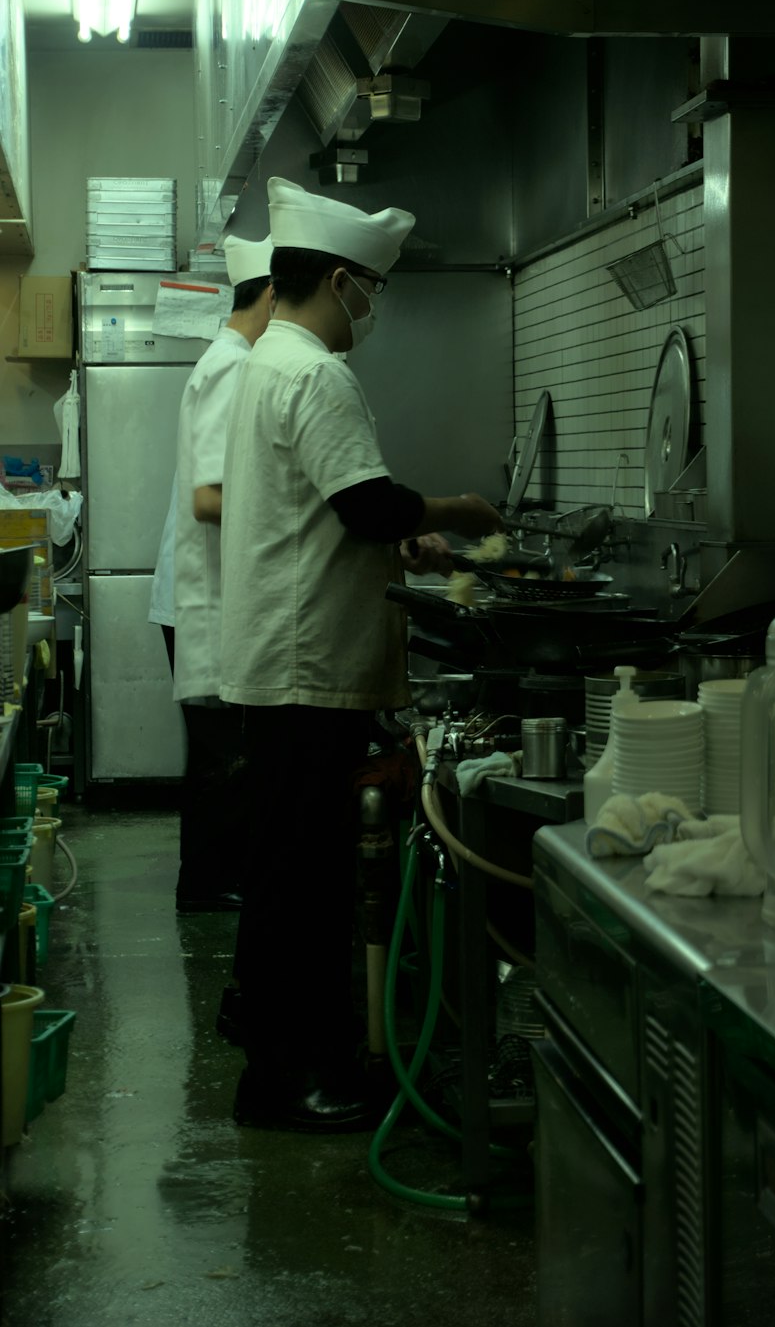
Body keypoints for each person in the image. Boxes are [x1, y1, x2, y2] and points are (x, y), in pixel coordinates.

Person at [218, 177, 502, 1133]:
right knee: (304, 882)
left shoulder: (271, 361)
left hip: (285, 659)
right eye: (371, 292)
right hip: (309, 668)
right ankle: (289, 1080)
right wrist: (453, 514)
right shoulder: (315, 372)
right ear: (341, 281)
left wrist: (397, 542)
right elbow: (364, 503)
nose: (370, 312)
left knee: (285, 873)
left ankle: (278, 1060)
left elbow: (335, 512)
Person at [157, 235, 274, 912]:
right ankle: (207, 884)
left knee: (215, 757)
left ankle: (205, 880)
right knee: (221, 758)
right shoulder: (232, 367)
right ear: (272, 296)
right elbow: (210, 497)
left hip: (200, 592)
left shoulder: (226, 361)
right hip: (204, 598)